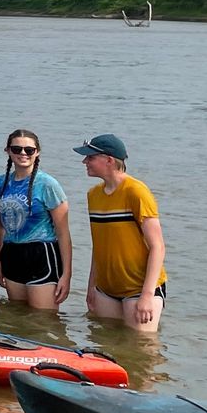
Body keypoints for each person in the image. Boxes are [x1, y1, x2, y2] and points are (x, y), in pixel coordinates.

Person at [76, 133, 166, 332]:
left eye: (90, 157)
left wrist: (147, 295)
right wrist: (91, 287)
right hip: (106, 290)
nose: (84, 161)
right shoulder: (93, 195)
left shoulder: (136, 192)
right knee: (106, 346)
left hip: (138, 288)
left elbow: (157, 246)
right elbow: (99, 245)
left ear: (108, 160)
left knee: (141, 351)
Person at [0, 128, 72, 310]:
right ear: (7, 151)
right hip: (11, 253)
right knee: (17, 315)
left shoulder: (47, 185)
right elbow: (0, 227)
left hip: (41, 253)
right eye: (16, 149)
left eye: (29, 150)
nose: (23, 153)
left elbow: (63, 232)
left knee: (43, 320)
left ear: (37, 153)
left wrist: (66, 275)